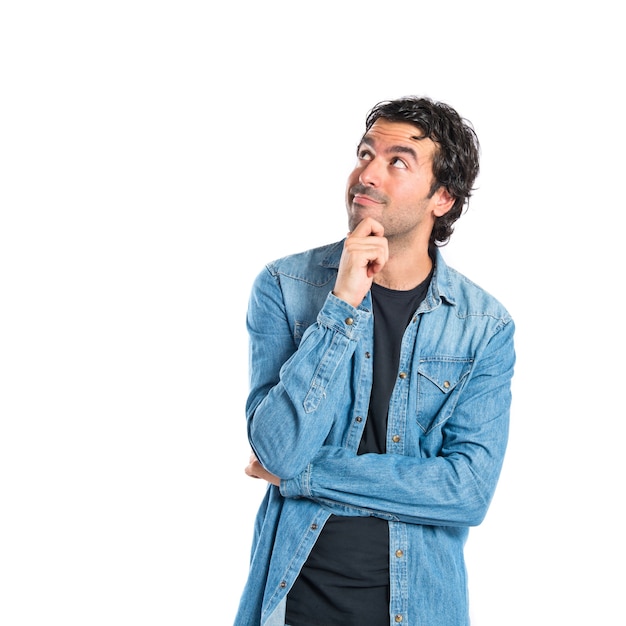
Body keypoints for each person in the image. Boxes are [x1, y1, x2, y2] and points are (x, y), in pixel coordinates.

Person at [235, 96, 515, 626]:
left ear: (443, 198)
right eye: (365, 153)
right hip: (295, 606)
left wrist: (306, 477)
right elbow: (274, 446)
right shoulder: (285, 288)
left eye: (397, 162)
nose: (367, 173)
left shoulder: (484, 326)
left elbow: (467, 493)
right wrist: (340, 308)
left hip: (421, 609)